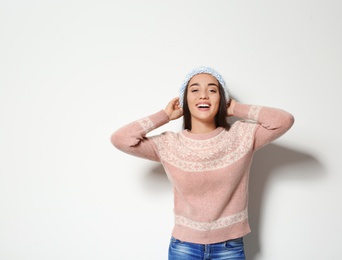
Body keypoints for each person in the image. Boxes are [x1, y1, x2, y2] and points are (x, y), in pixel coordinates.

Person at [110, 66, 294, 260]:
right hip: (184, 247)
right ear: (185, 101)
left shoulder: (242, 135)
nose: (204, 95)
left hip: (229, 247)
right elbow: (120, 139)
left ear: (221, 99)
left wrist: (235, 108)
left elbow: (284, 120)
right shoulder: (169, 144)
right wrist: (164, 115)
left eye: (213, 90)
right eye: (195, 90)